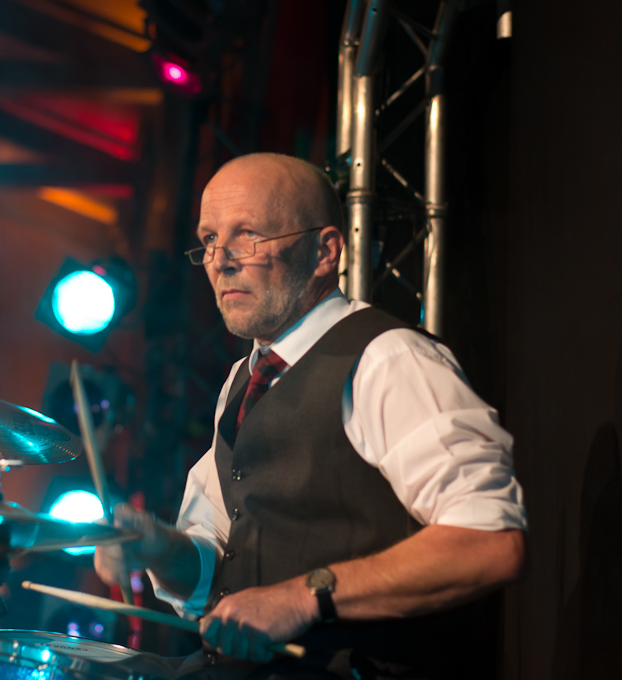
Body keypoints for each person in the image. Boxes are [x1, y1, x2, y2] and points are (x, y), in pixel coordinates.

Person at [94, 153, 527, 679]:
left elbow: (489, 542)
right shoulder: (242, 379)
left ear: (325, 252)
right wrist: (158, 550)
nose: (220, 260)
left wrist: (303, 597)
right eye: (209, 239)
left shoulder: (387, 359)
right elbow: (221, 576)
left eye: (248, 235)